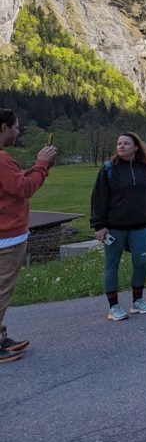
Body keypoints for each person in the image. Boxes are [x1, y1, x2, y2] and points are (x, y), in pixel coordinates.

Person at [0, 109, 56, 363]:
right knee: (2, 289)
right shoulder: (2, 159)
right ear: (3, 127)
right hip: (7, 235)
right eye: (15, 127)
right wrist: (42, 165)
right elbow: (23, 188)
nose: (17, 131)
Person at [90, 132, 146, 321]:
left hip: (140, 225)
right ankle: (113, 307)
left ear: (136, 147)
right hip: (114, 227)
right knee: (111, 265)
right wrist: (99, 225)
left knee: (140, 263)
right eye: (119, 143)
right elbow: (98, 198)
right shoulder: (108, 169)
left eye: (126, 143)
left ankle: (137, 302)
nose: (121, 146)